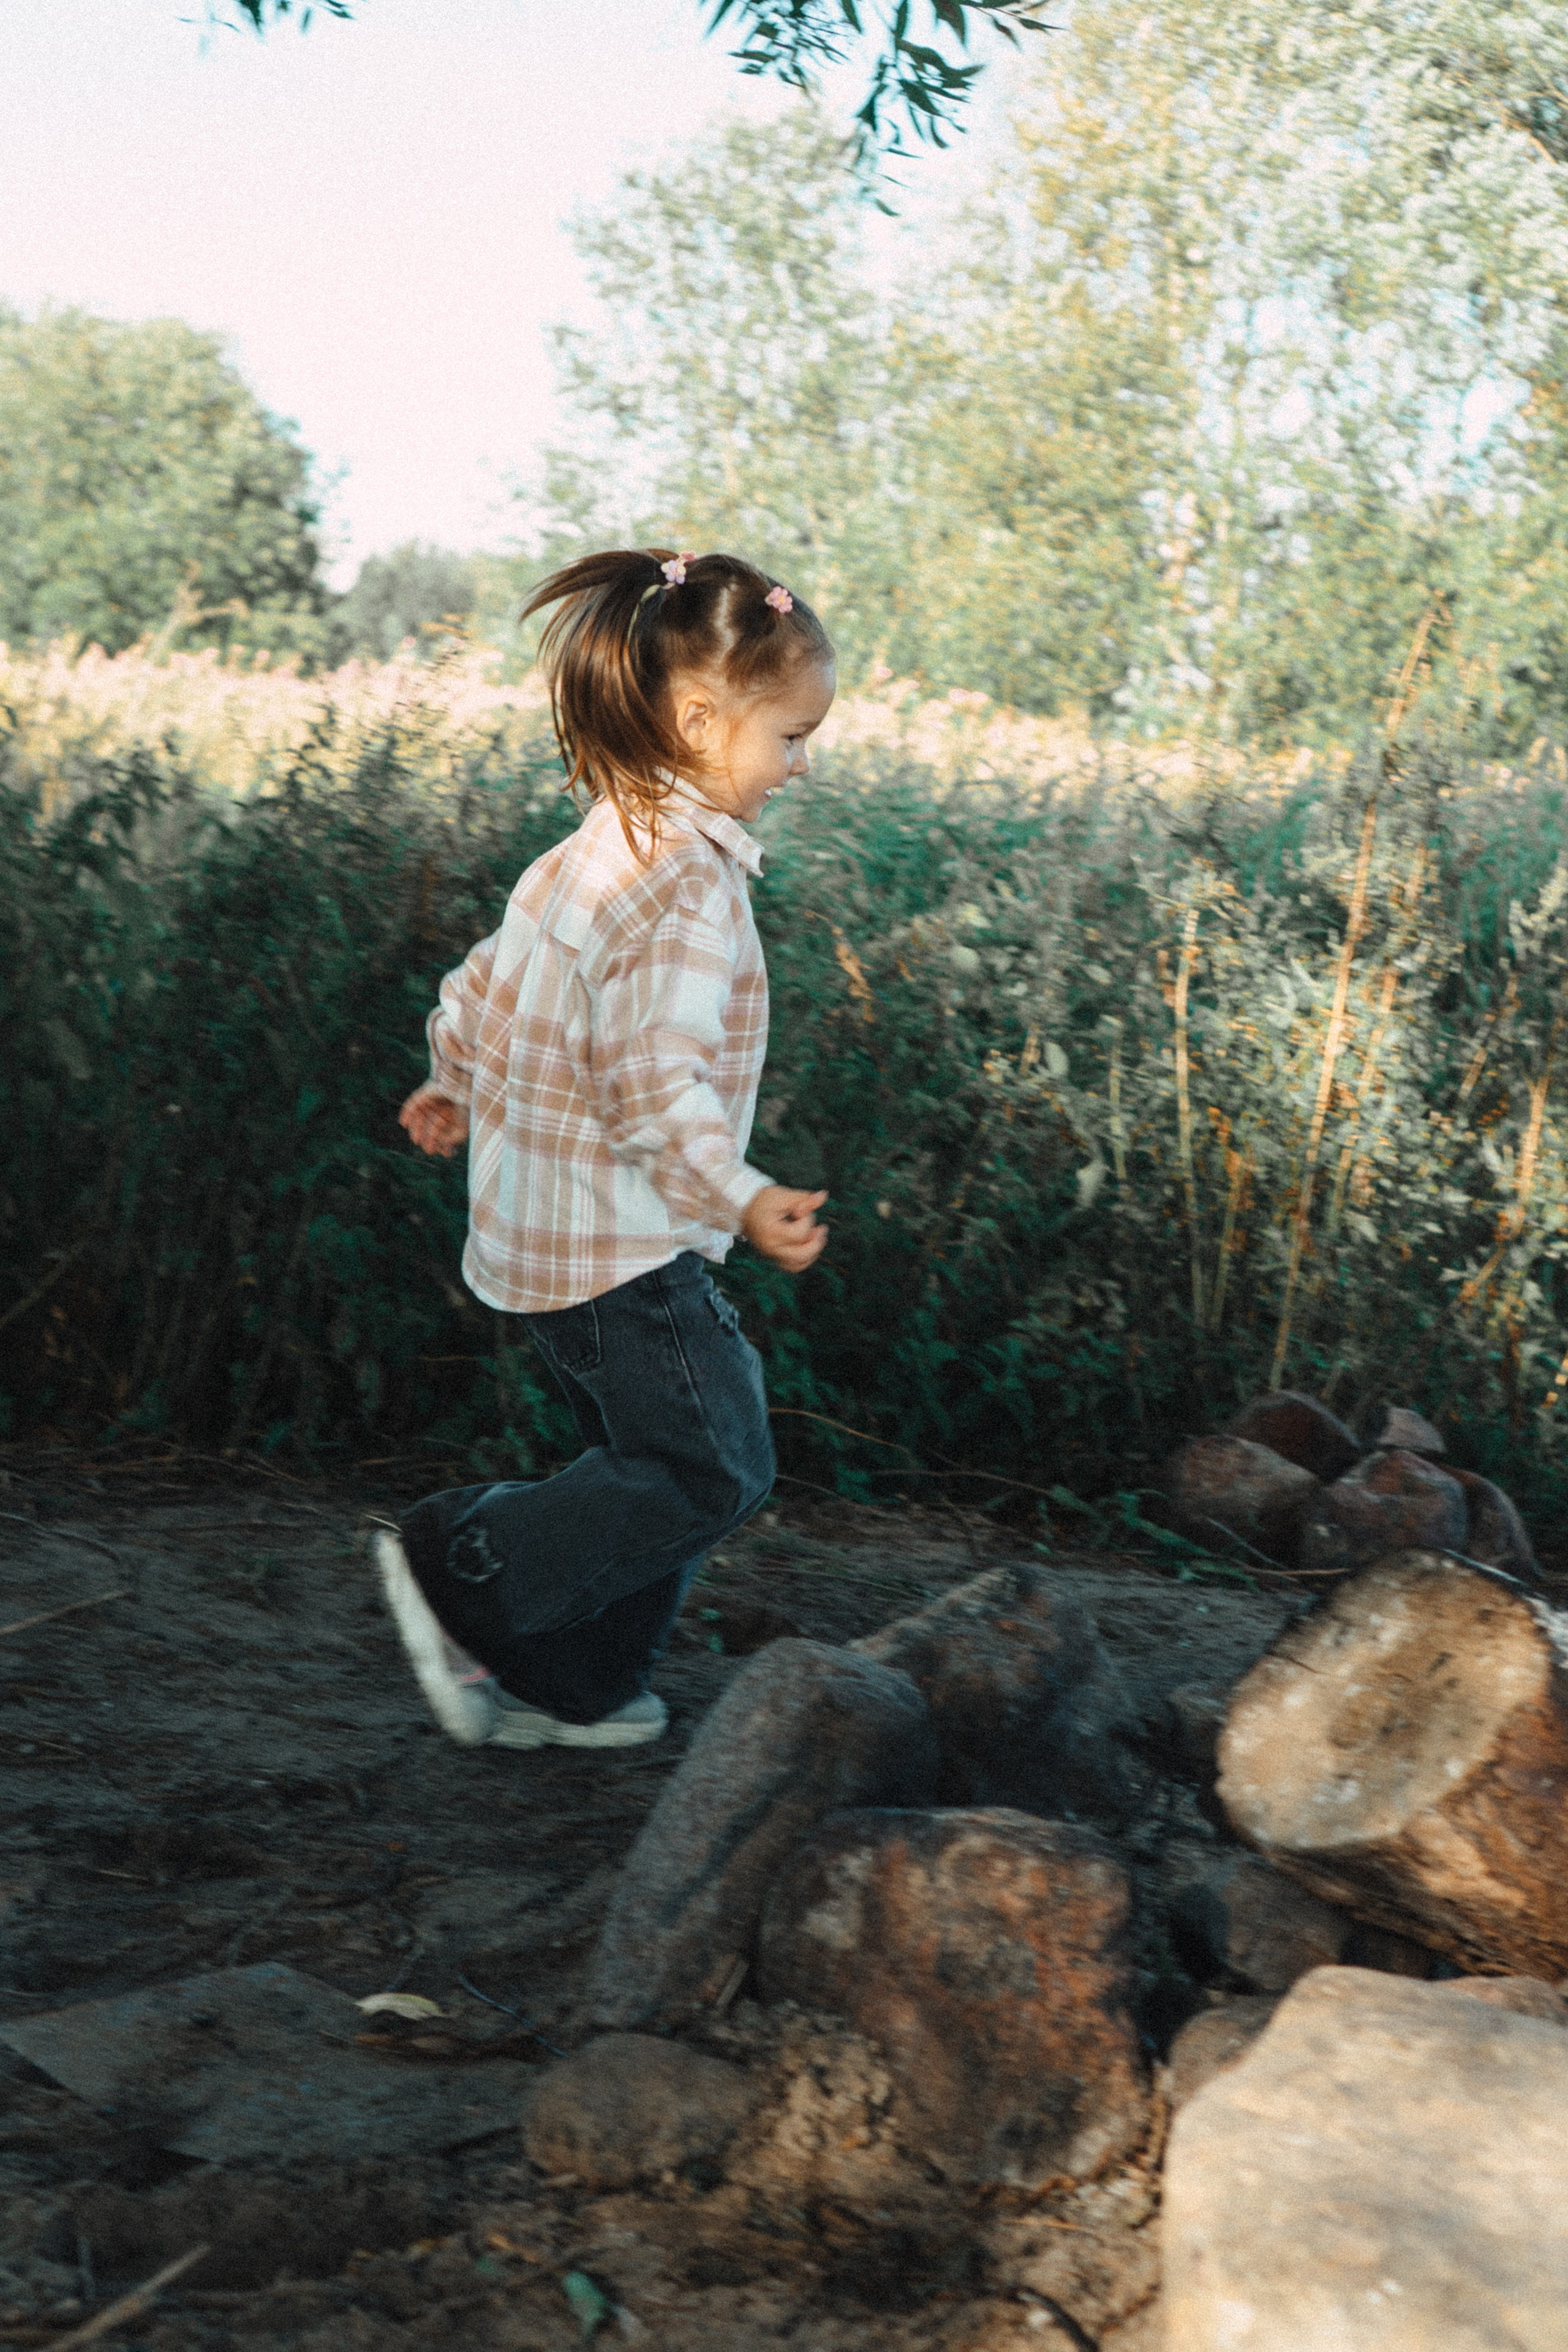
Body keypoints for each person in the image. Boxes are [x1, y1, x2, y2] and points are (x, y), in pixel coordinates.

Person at [371, 548, 835, 1754]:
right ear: (698, 720)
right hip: (612, 1243)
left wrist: (451, 1073)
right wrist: (742, 1199)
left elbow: (494, 973)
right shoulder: (680, 883)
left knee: (647, 1458)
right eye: (789, 737)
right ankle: (465, 1558)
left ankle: (574, 1682)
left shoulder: (597, 845)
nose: (801, 764)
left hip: (543, 1224)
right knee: (711, 1464)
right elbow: (647, 1082)